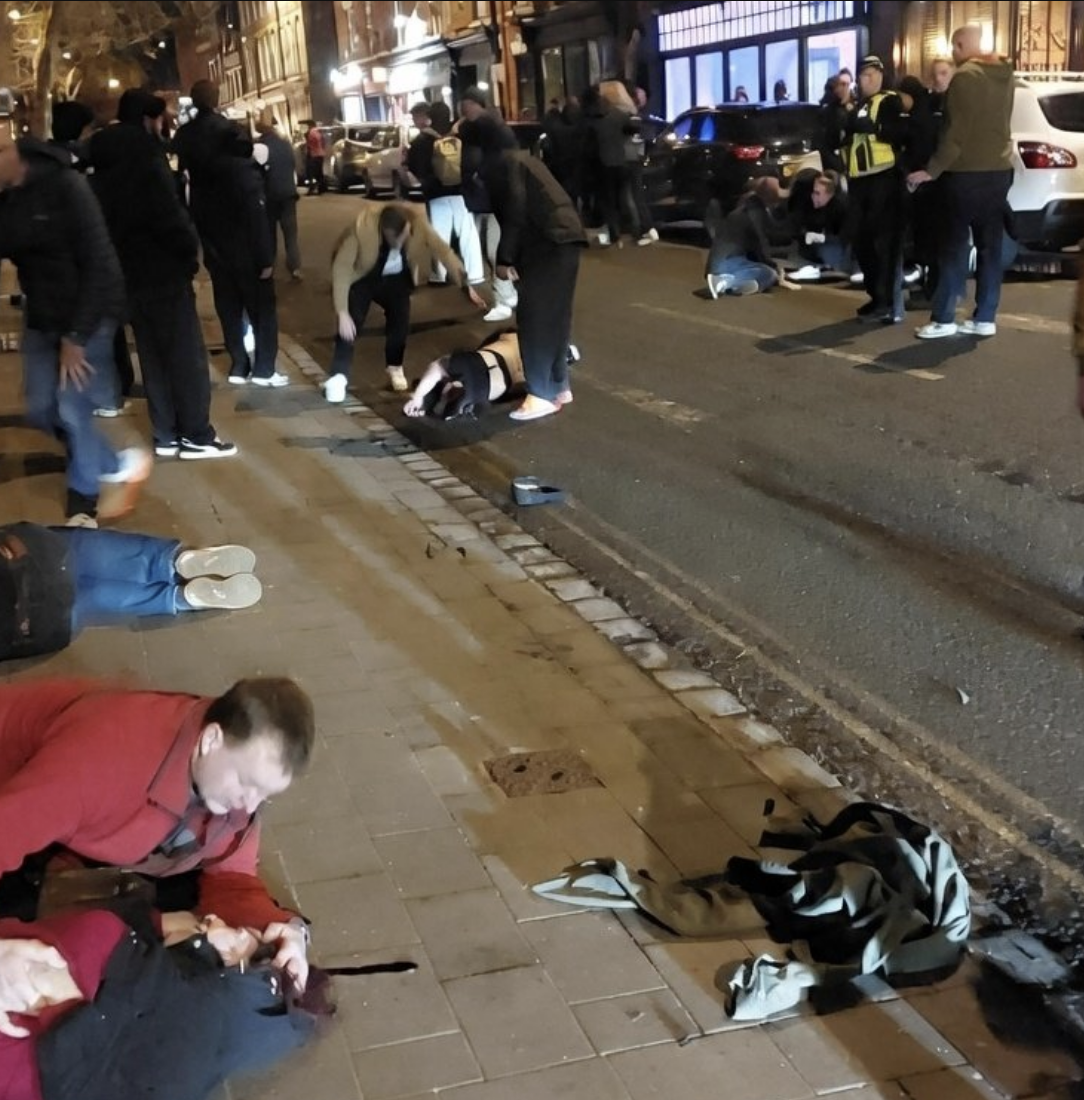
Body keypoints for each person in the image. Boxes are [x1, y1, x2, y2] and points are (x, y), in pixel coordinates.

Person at [0, 676, 316, 988]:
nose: (249, 806)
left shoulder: (226, 776)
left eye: (265, 793)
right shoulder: (104, 758)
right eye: (247, 782)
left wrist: (286, 934)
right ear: (211, 740)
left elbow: (231, 879)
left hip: (63, 823)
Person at [0, 905, 324, 1099]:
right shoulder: (183, 1070)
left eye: (235, 930)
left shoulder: (100, 941)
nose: (211, 916)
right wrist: (295, 929)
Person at [0, 131, 151, 526]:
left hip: (88, 315)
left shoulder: (68, 188)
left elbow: (101, 264)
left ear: (17, 156)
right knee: (40, 407)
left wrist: (77, 337)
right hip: (43, 316)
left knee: (72, 408)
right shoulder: (11, 197)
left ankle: (83, 501)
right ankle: (118, 461)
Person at [89, 89, 236, 461]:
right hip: (163, 269)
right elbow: (168, 216)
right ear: (148, 119)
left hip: (127, 271)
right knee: (185, 354)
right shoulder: (147, 159)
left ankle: (166, 433)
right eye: (160, 119)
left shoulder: (101, 159)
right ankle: (196, 434)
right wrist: (188, 252)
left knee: (152, 355)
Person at [0, 522, 262, 662]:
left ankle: (181, 598)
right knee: (83, 553)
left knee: (84, 600)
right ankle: (174, 563)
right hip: (34, 553)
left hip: (35, 626)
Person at [907, 24, 1014, 339]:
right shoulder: (1006, 75)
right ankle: (985, 317)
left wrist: (932, 169)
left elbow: (956, 133)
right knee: (989, 246)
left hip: (966, 173)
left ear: (961, 44)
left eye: (955, 46)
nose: (954, 53)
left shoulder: (965, 78)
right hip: (998, 171)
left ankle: (943, 319)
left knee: (953, 246)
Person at [324, 202, 485, 402]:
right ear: (385, 231)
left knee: (400, 319)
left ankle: (394, 366)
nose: (402, 242)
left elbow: (443, 251)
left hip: (397, 279)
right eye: (396, 238)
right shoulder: (361, 229)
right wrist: (342, 312)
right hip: (364, 277)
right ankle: (339, 375)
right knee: (349, 325)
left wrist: (464, 282)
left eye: (406, 236)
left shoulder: (417, 225)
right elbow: (342, 269)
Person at [478, 140, 587, 420]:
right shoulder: (521, 160)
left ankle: (540, 394)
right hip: (566, 237)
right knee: (556, 317)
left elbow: (515, 212)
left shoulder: (502, 168)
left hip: (547, 242)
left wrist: (504, 258)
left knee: (535, 319)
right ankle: (558, 386)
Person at [843, 55, 905, 324]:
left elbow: (899, 133)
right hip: (860, 182)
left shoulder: (889, 101)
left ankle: (885, 301)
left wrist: (877, 128)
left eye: (870, 75)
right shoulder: (860, 105)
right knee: (862, 241)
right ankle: (875, 295)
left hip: (883, 180)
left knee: (882, 245)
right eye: (862, 76)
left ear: (880, 76)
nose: (865, 80)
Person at [404, 330, 581, 419]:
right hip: (494, 387)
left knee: (440, 365)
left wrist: (417, 397)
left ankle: (423, 397)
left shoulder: (515, 336)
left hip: (483, 361)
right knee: (452, 376)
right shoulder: (545, 370)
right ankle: (458, 396)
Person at [457, 86, 520, 322]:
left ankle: (504, 299)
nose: (465, 110)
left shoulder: (489, 129)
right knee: (486, 249)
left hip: (493, 198)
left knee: (495, 249)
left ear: (478, 104)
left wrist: (479, 175)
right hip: (481, 199)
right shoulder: (474, 128)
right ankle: (509, 293)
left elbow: (501, 160)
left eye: (468, 105)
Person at [405, 101, 484, 287]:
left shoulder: (422, 140)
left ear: (430, 116)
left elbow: (415, 167)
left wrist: (426, 179)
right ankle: (475, 273)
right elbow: (472, 161)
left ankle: (440, 274)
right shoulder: (459, 135)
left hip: (435, 194)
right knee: (468, 233)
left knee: (439, 235)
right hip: (460, 192)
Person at [704, 178, 786, 298]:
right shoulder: (755, 212)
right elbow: (761, 243)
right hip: (726, 263)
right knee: (769, 273)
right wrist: (775, 268)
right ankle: (725, 282)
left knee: (762, 271)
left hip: (721, 262)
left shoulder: (747, 208)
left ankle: (736, 284)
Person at [255, 109, 302, 280]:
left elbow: (257, 173)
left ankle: (270, 266)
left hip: (270, 196)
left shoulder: (260, 147)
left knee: (270, 234)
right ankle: (295, 267)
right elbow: (295, 165)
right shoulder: (285, 144)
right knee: (291, 234)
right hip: (289, 194)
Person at [786, 170, 852, 280]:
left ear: (830, 193)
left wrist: (823, 238)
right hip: (823, 245)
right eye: (813, 193)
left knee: (828, 249)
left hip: (839, 245)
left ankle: (833, 270)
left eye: (817, 193)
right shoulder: (814, 207)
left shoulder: (841, 206)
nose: (813, 197)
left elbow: (846, 235)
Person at [303, 121, 327, 196]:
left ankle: (311, 189)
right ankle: (322, 188)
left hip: (313, 155)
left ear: (310, 126)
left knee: (311, 173)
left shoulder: (311, 133)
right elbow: (323, 142)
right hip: (320, 154)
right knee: (319, 172)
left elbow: (310, 144)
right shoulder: (319, 132)